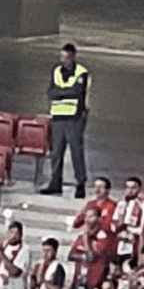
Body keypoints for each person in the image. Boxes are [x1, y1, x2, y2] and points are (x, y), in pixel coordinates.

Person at [43, 42, 91, 197]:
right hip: (58, 117)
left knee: (76, 151)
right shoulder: (56, 71)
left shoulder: (81, 73)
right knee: (56, 152)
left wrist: (60, 92)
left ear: (73, 57)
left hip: (75, 117)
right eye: (62, 57)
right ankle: (55, 182)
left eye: (67, 57)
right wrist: (64, 92)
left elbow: (77, 92)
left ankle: (80, 183)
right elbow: (51, 92)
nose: (64, 60)